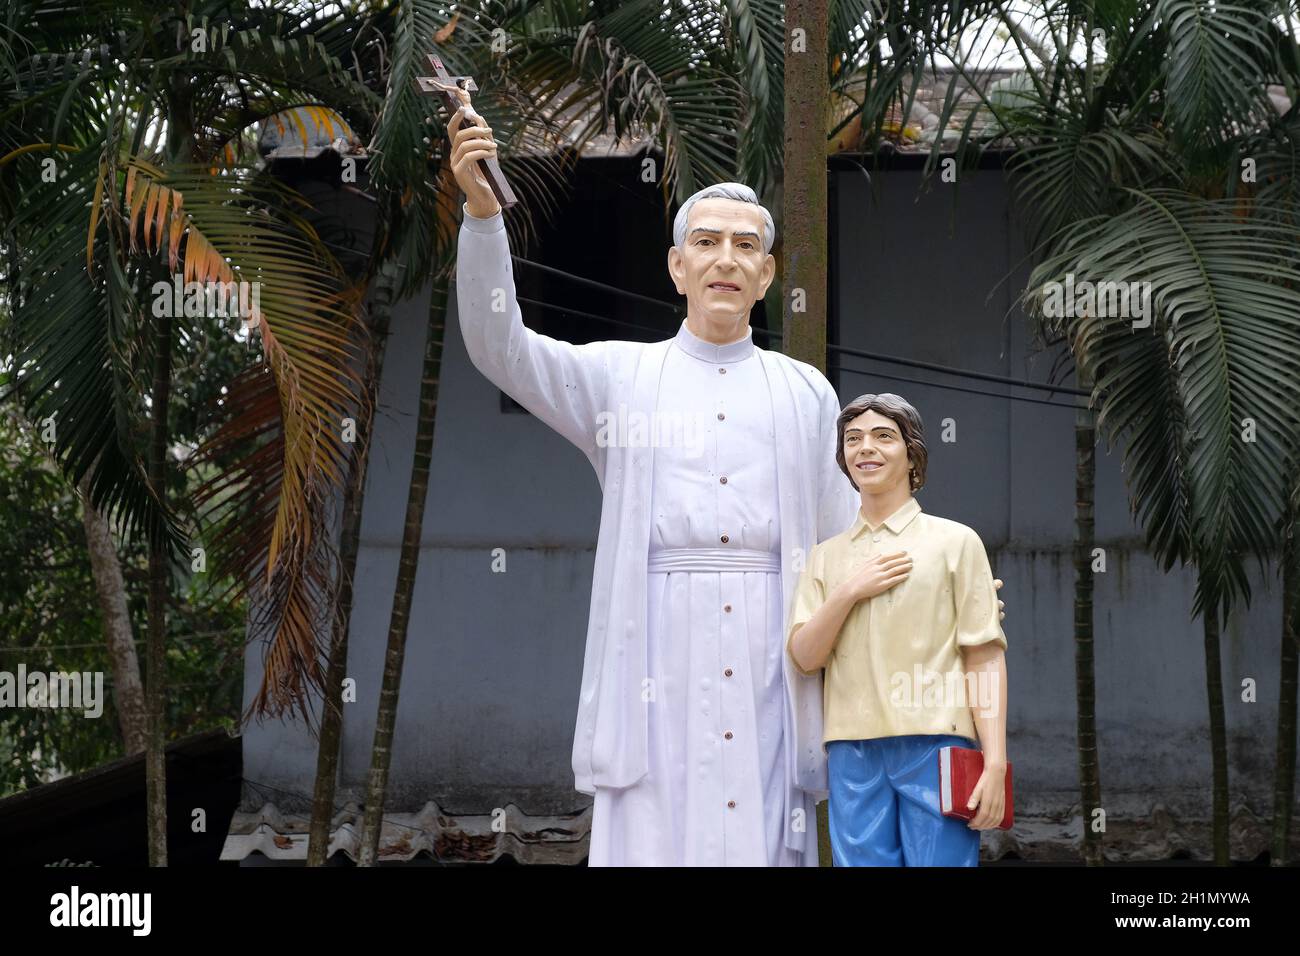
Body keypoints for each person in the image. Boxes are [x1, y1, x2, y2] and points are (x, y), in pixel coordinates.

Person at [448, 104, 1004, 865]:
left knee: (762, 815)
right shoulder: (620, 376)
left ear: (767, 274)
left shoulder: (804, 391)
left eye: (747, 246)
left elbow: (851, 540)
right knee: (655, 820)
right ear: (677, 267)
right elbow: (501, 349)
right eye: (705, 243)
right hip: (653, 638)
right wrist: (484, 217)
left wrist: (944, 585)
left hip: (772, 637)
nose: (726, 259)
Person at [787, 393, 1009, 866]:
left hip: (937, 742)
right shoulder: (826, 557)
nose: (865, 447)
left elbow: (983, 654)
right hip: (852, 747)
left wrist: (994, 759)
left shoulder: (955, 542)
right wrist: (848, 592)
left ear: (912, 453)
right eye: (853, 439)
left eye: (883, 436)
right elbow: (805, 656)